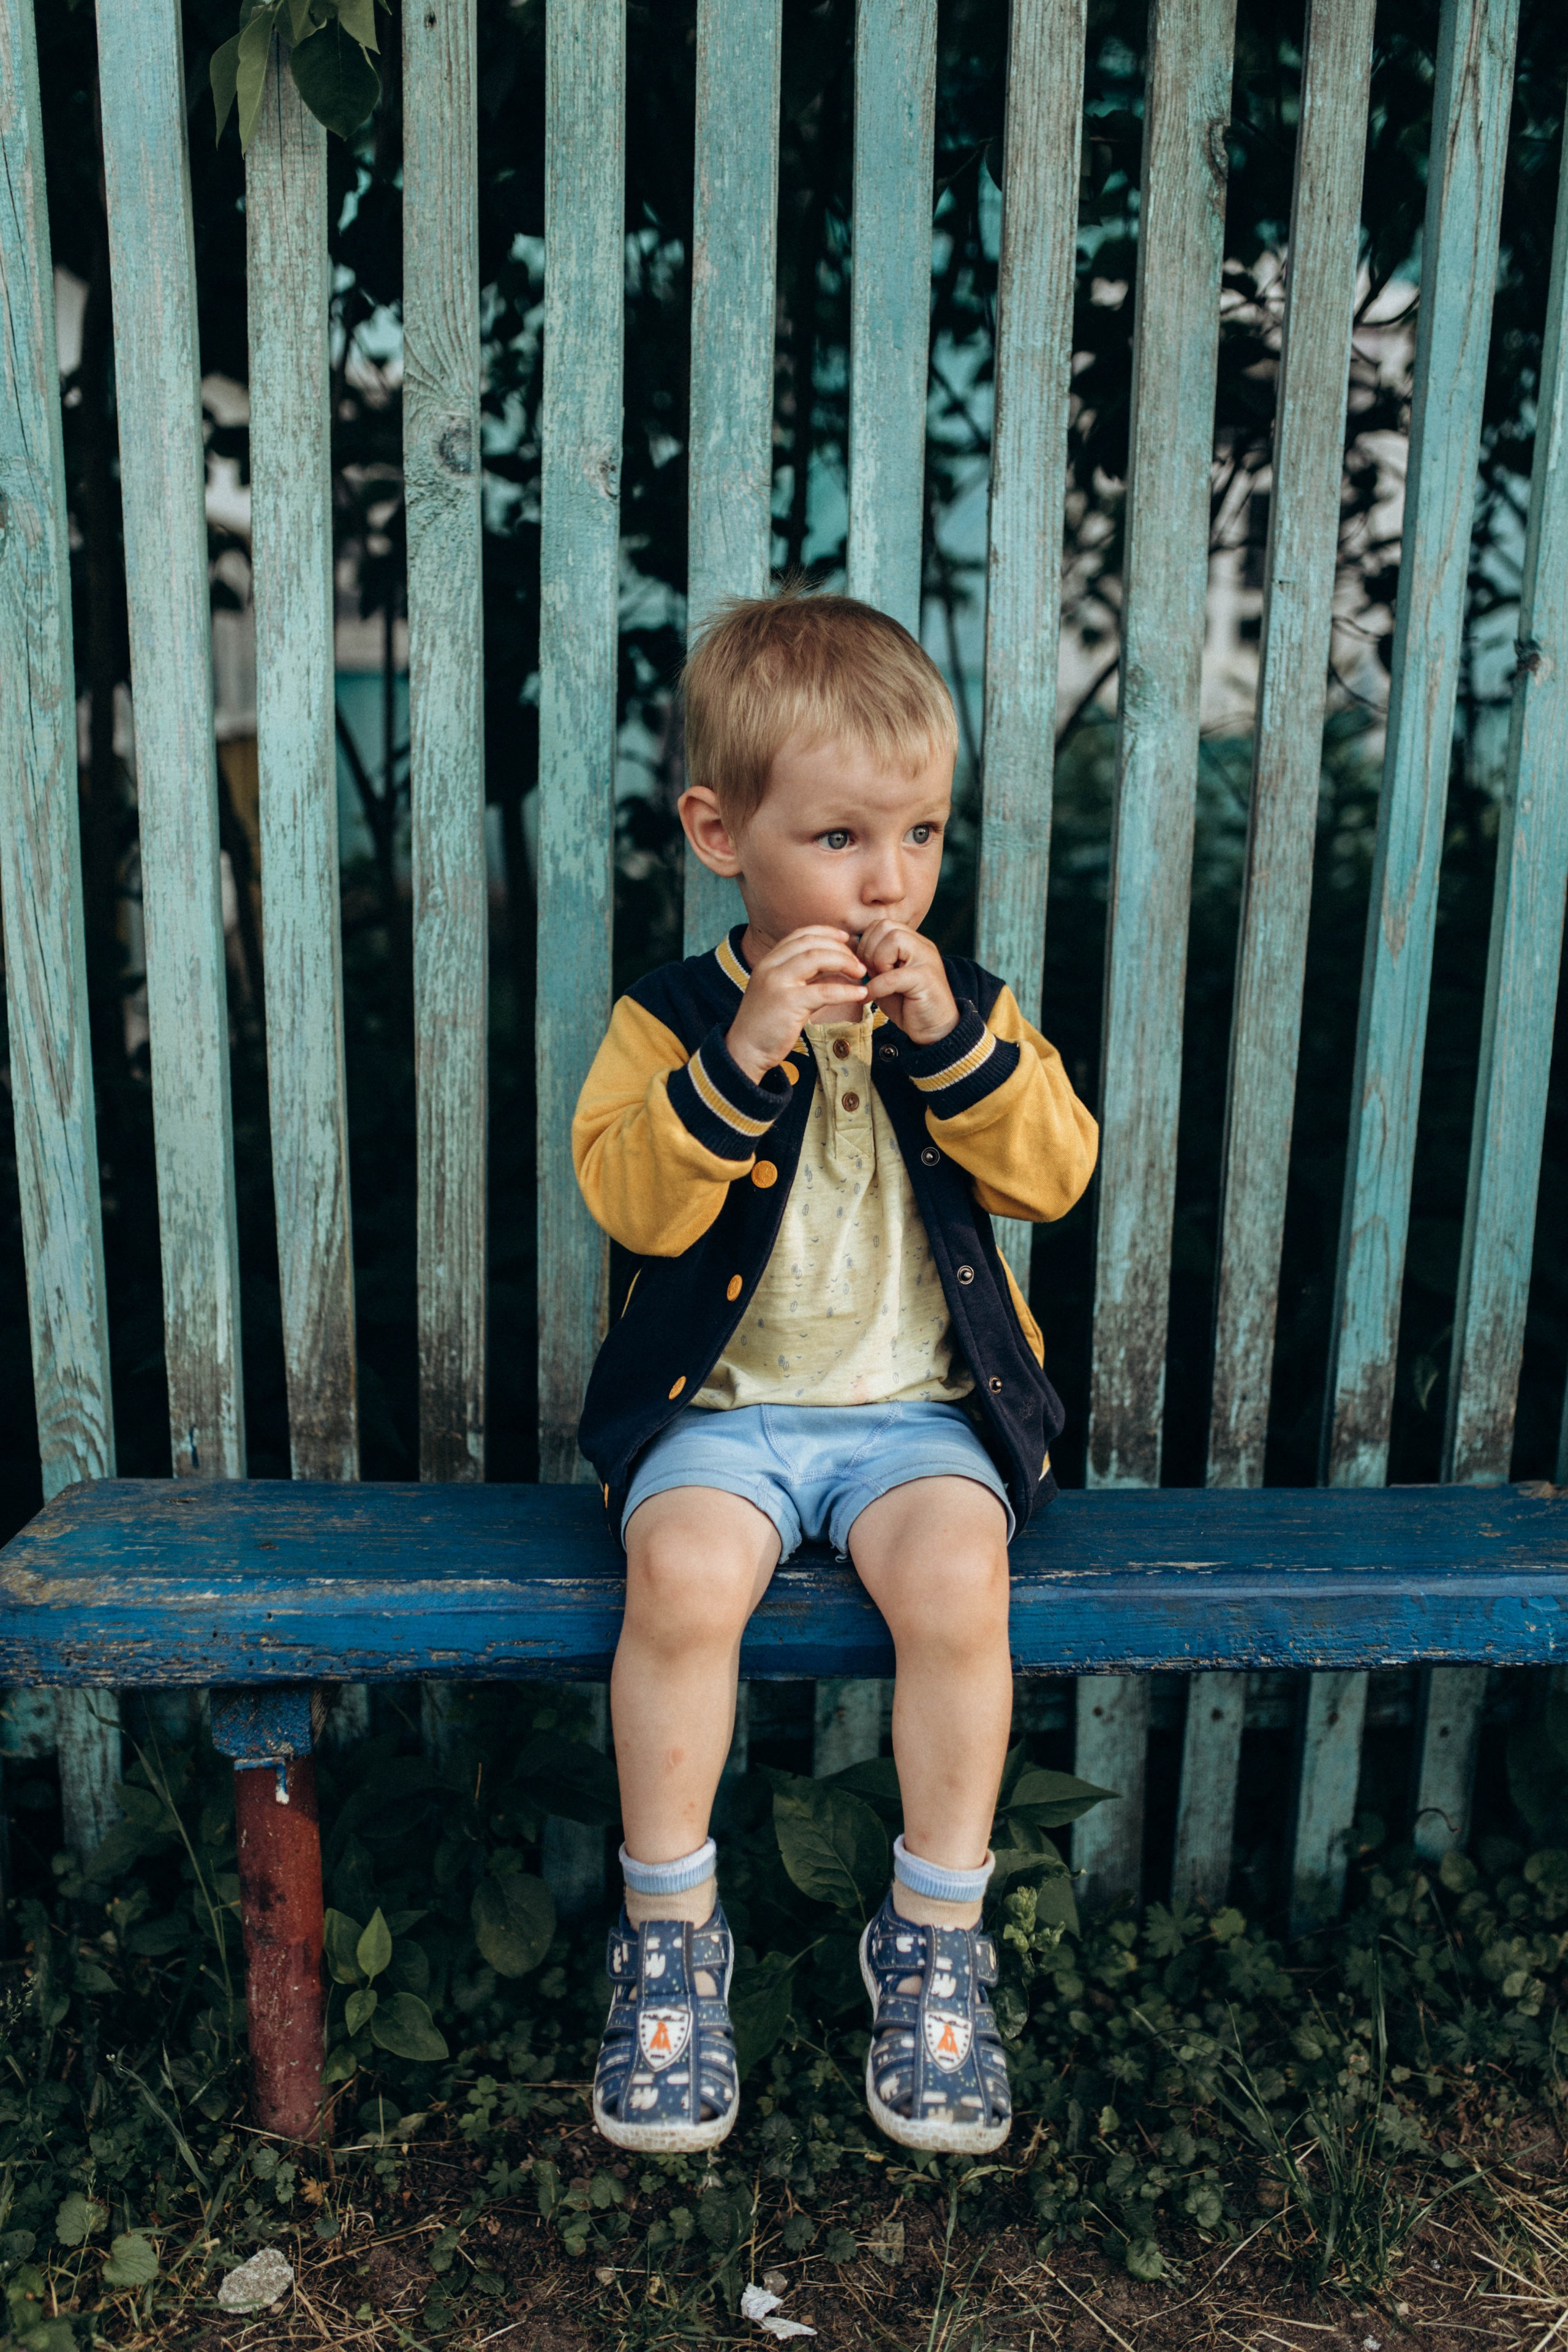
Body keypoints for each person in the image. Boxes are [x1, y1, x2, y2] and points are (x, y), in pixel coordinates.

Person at [571, 586, 1098, 2157]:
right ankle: (670, 1932)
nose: (889, 882)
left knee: (957, 1585)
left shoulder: (963, 1010)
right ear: (722, 834)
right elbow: (627, 1197)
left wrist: (954, 1049)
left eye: (922, 836)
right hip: (720, 1424)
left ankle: (932, 1933)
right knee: (677, 1578)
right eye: (844, 840)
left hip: (913, 1420)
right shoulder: (668, 1020)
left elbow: (1051, 1176)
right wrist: (736, 1058)